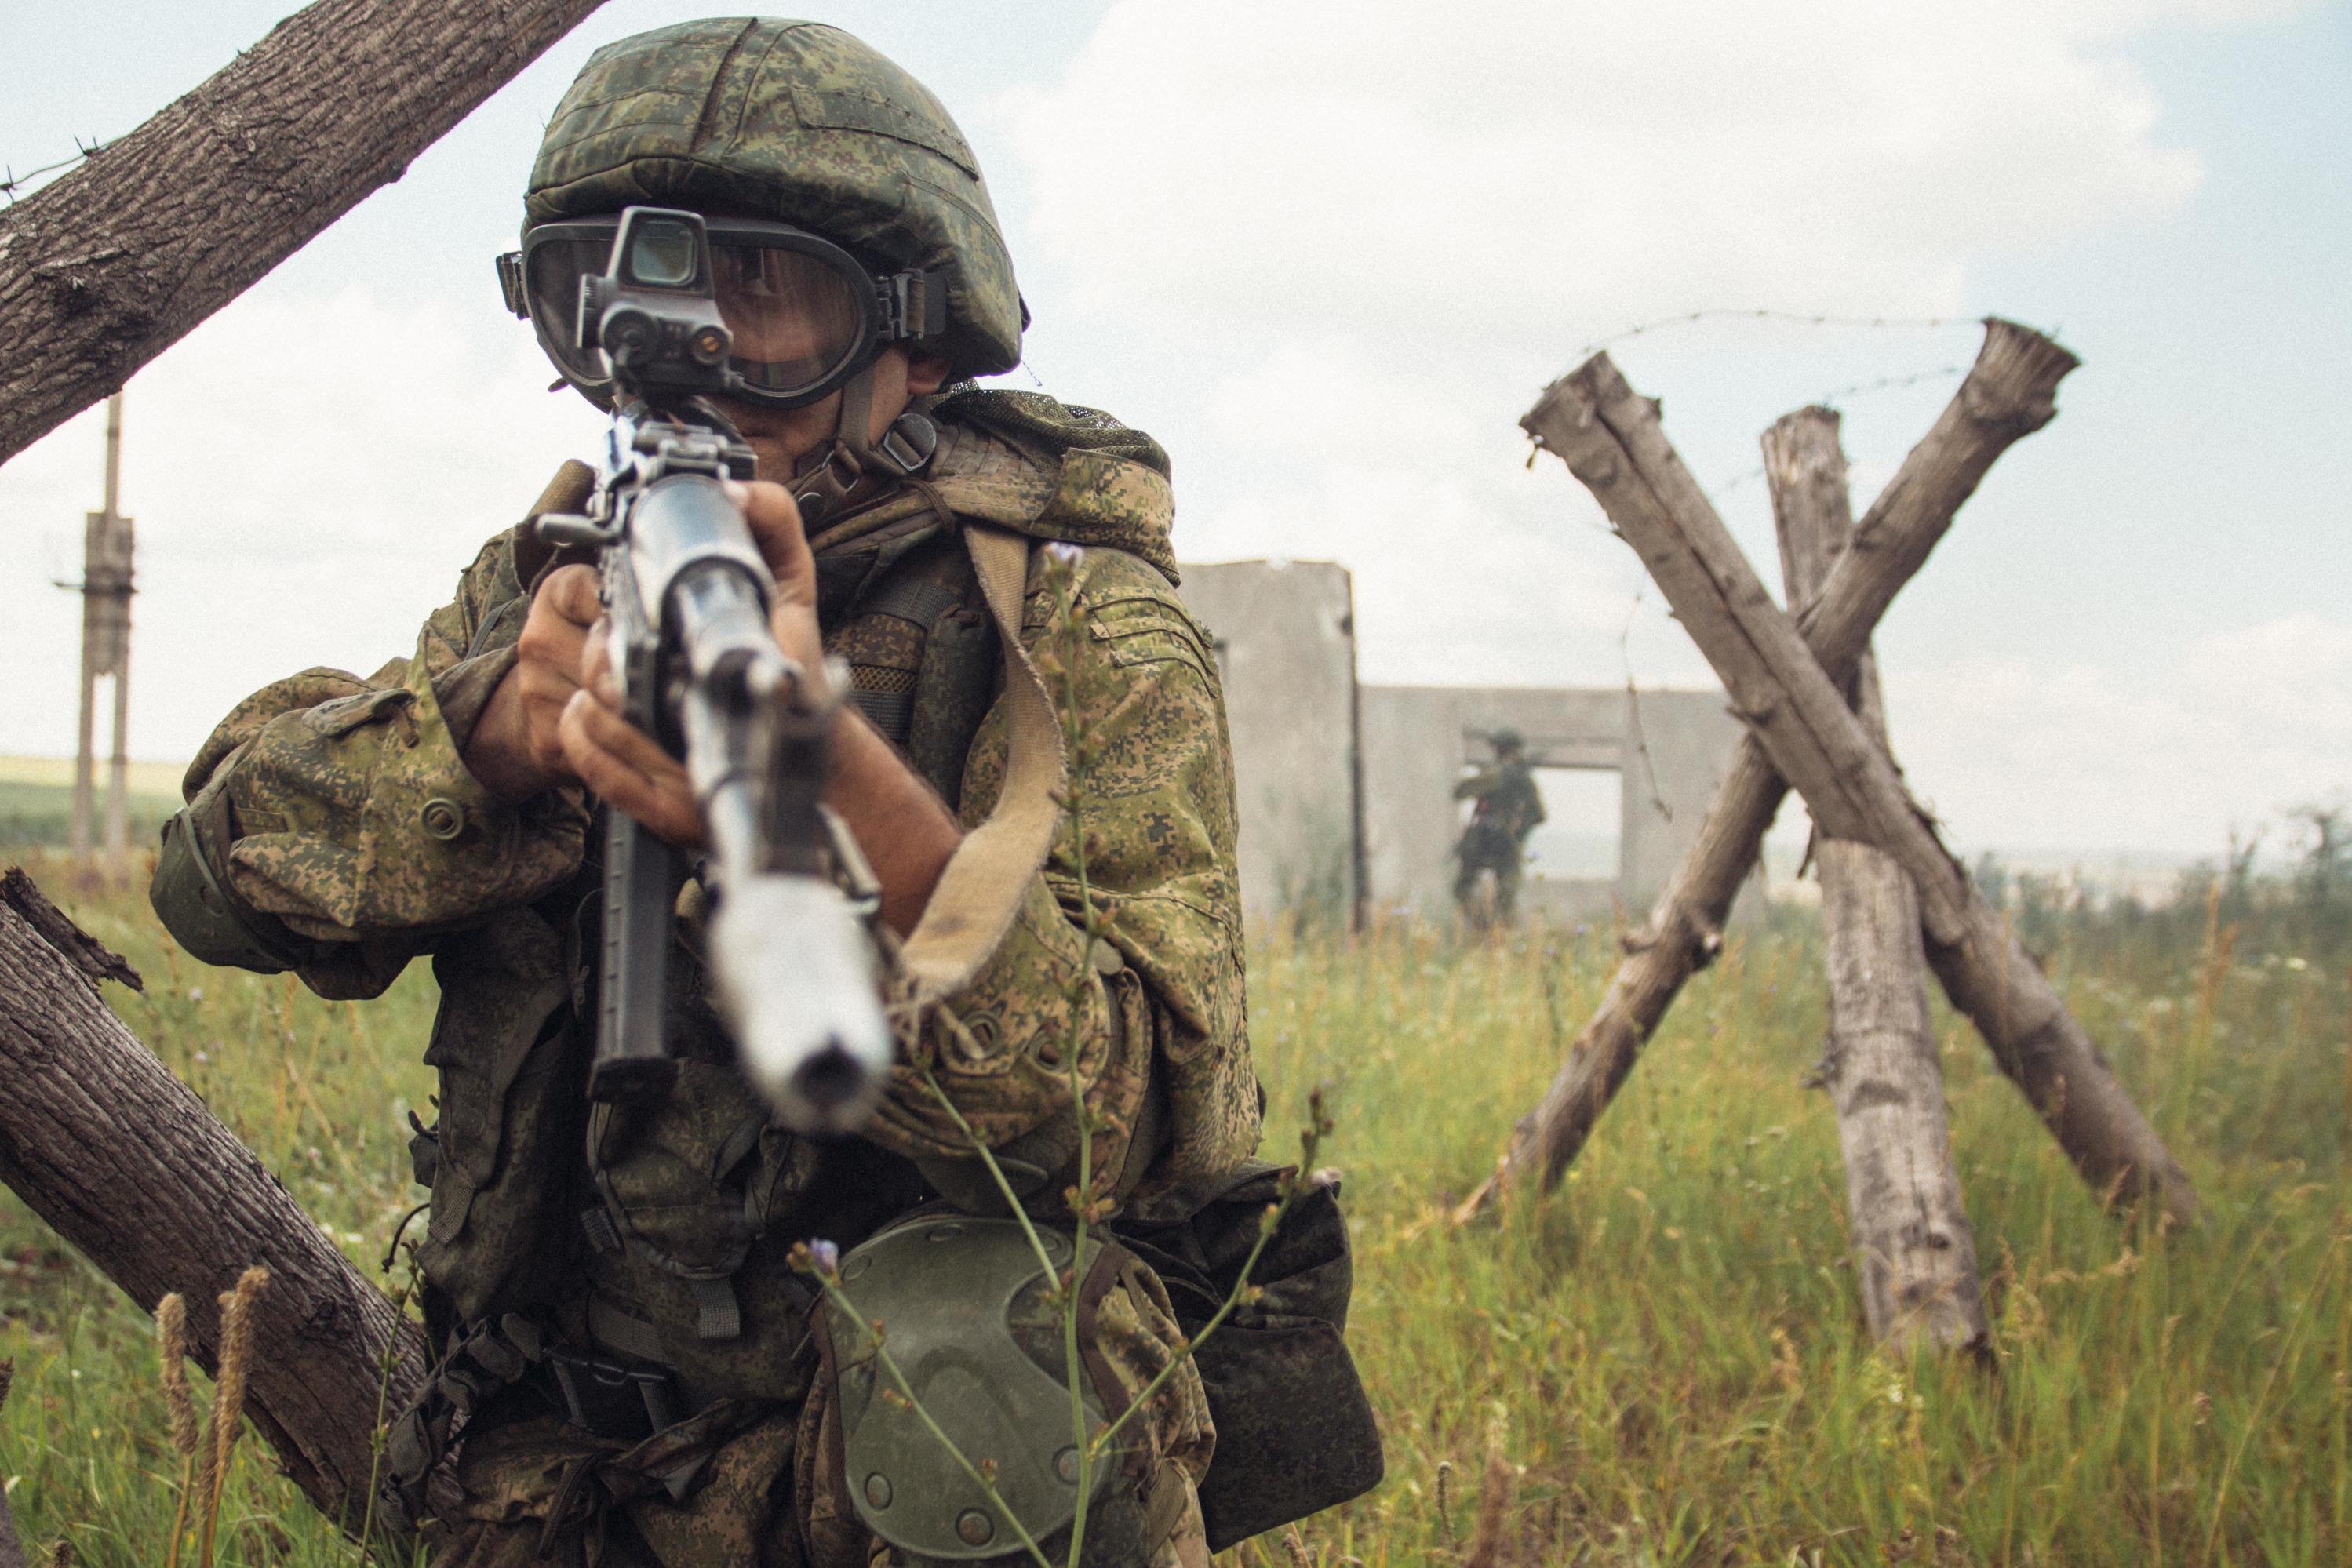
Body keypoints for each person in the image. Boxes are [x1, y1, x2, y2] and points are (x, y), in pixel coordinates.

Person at [149, 19, 1376, 1566]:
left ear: (912, 336)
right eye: (620, 289)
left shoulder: (1066, 626)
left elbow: (1129, 1124)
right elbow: (205, 884)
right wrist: (487, 740)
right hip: (549, 1462)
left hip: (882, 1478)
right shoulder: (545, 583)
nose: (694, 354)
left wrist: (830, 784)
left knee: (1016, 1348)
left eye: (763, 292)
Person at [1451, 729, 1546, 930]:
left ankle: (1484, 927)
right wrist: (1518, 834)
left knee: (1463, 889)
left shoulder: (1497, 773)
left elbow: (1460, 791)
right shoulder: (1524, 780)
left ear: (1499, 750)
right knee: (1506, 899)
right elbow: (1539, 815)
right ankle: (1501, 936)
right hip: (1507, 845)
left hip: (1486, 841)